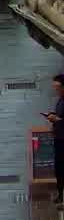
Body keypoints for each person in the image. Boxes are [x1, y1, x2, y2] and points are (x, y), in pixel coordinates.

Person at [48, 74, 64, 203]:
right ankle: (60, 195)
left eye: (57, 87)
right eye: (54, 87)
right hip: (59, 139)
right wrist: (53, 117)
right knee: (59, 169)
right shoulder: (60, 100)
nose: (56, 89)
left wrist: (57, 119)